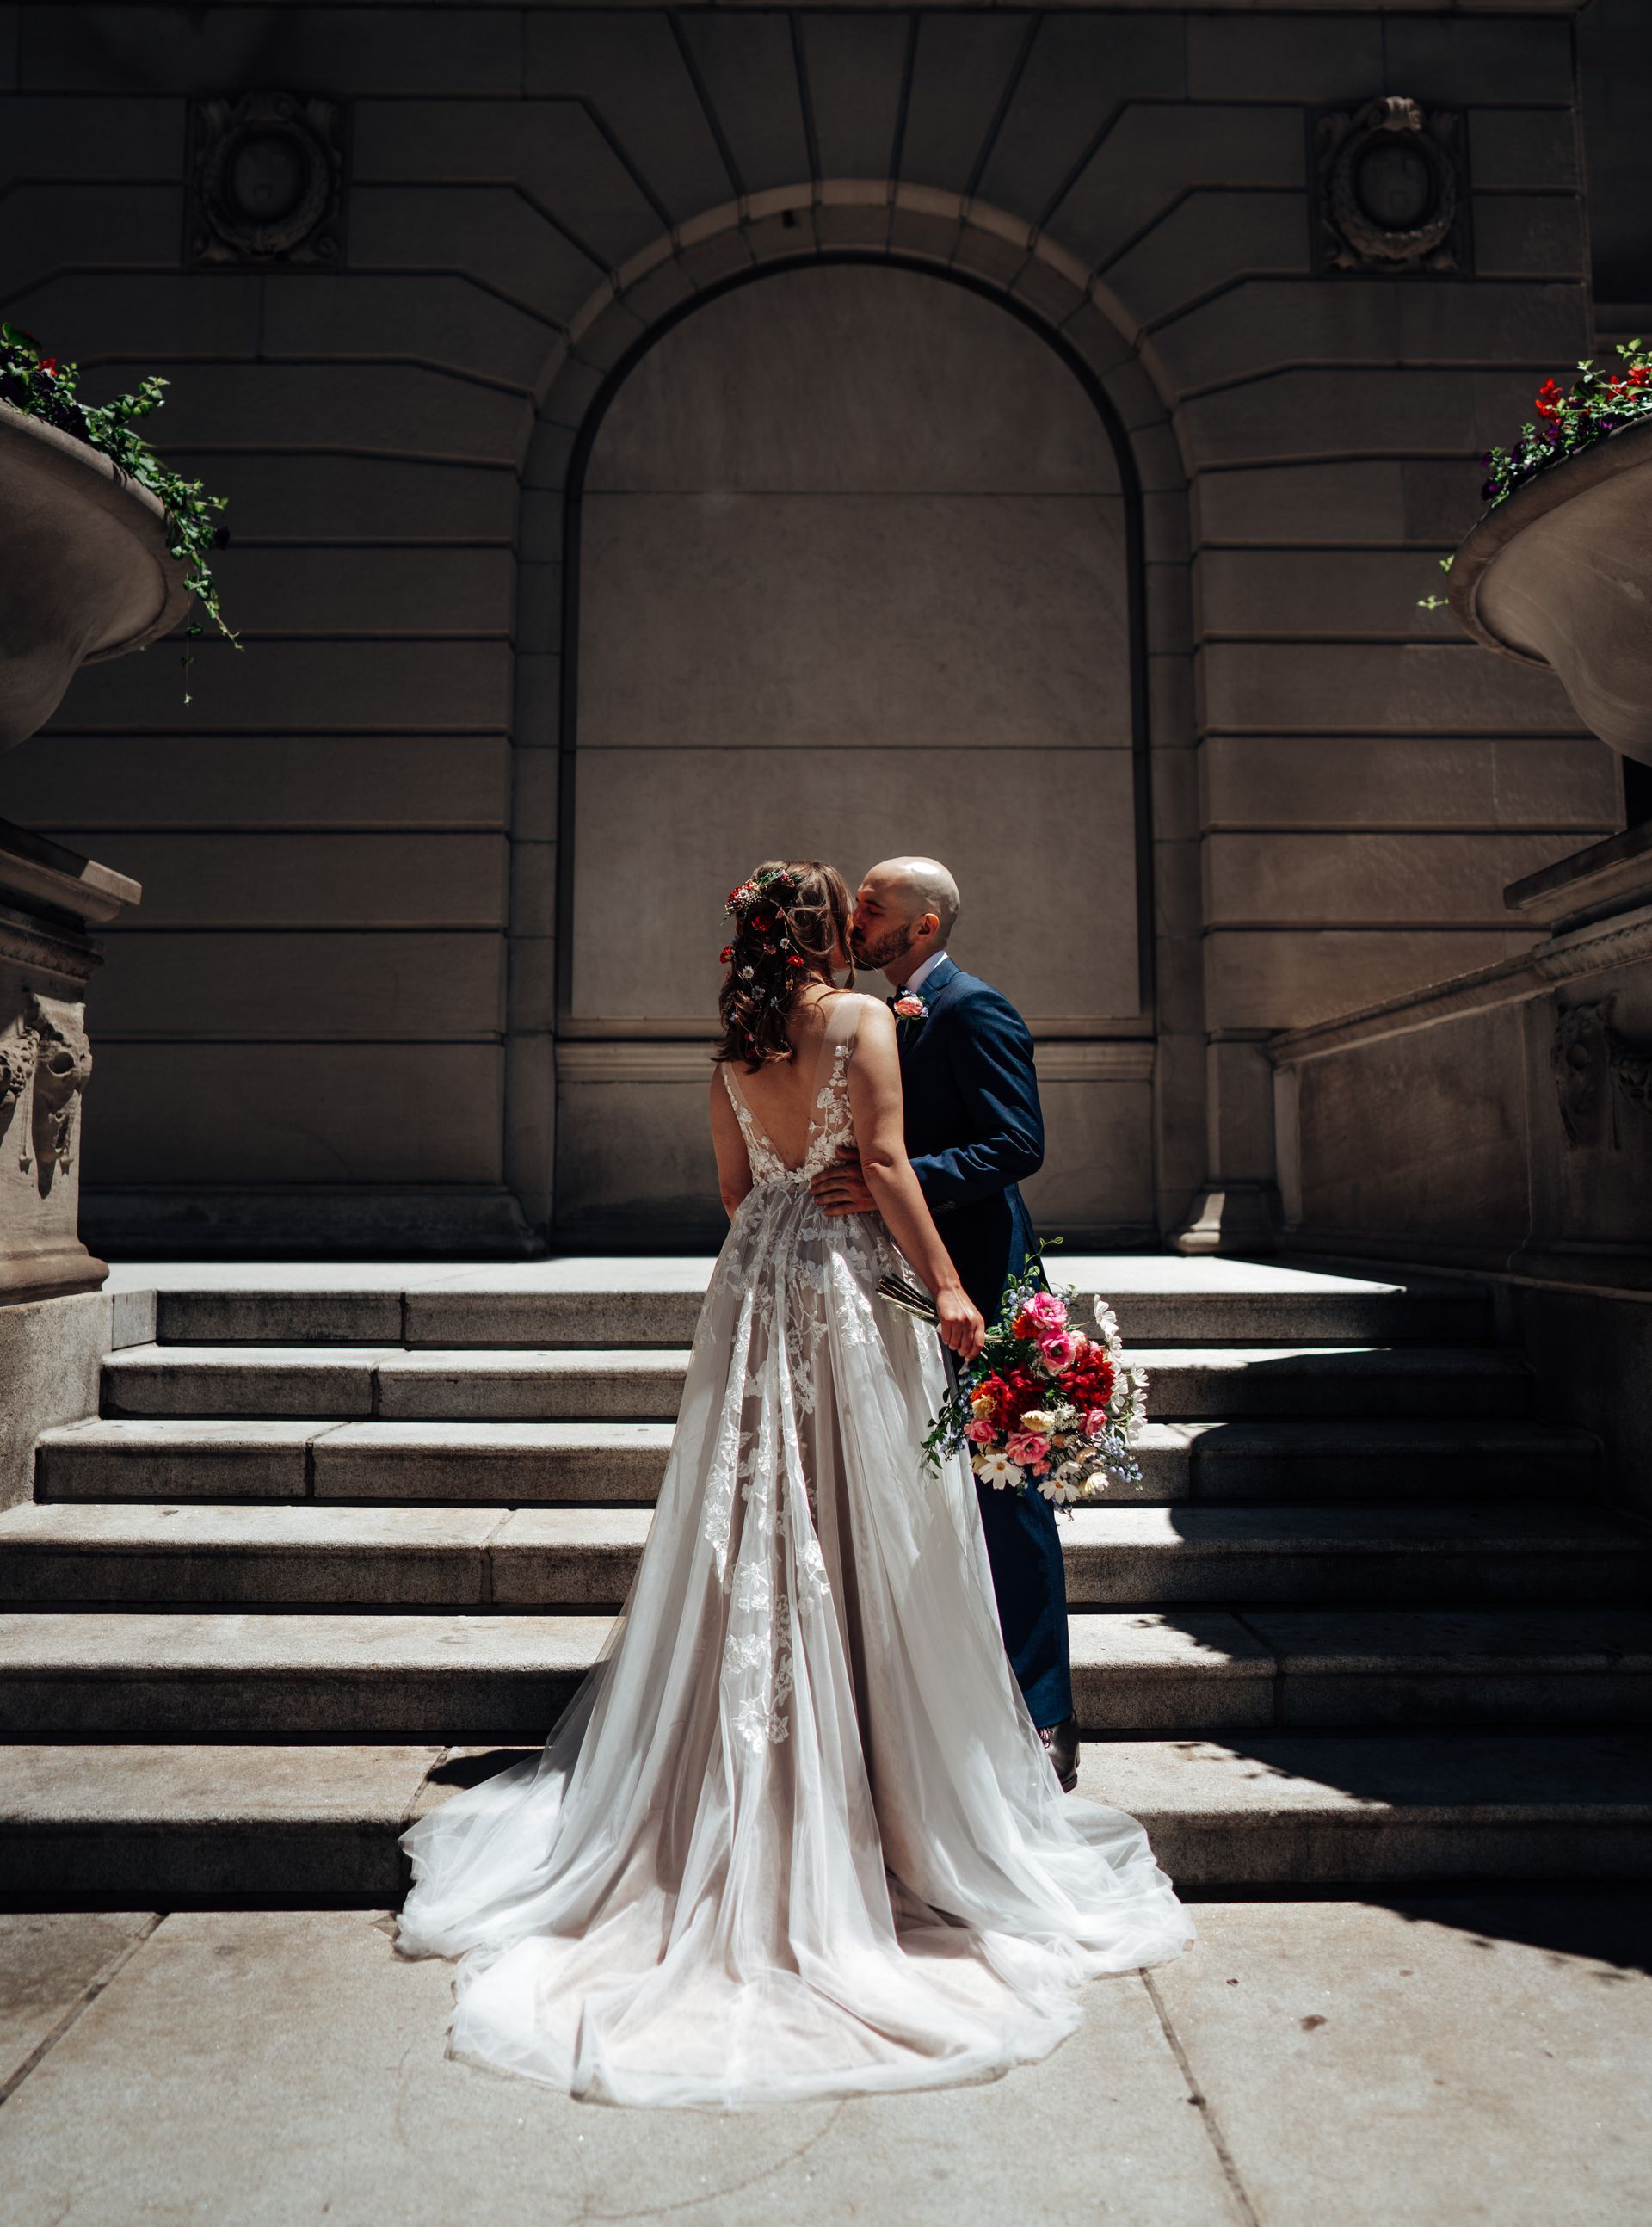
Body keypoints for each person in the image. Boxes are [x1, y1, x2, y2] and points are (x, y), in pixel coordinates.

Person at [397, 860, 1187, 2107]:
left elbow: (730, 1192)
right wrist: (950, 1286)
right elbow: (882, 1158)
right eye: (852, 909)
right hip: (846, 1283)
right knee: (867, 1514)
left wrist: (791, 1190)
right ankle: (895, 1781)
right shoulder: (866, 1020)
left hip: (757, 1279)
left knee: (762, 1508)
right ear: (832, 933)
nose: (868, 922)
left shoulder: (732, 1049)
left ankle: (743, 1783)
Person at [813, 858, 1078, 1788]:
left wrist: (898, 1181)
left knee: (1010, 1496)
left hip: (979, 1279)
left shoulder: (975, 1009)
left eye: (875, 906)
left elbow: (1018, 1142)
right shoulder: (871, 1015)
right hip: (892, 1284)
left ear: (924, 928)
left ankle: (1046, 1716)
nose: (857, 915)